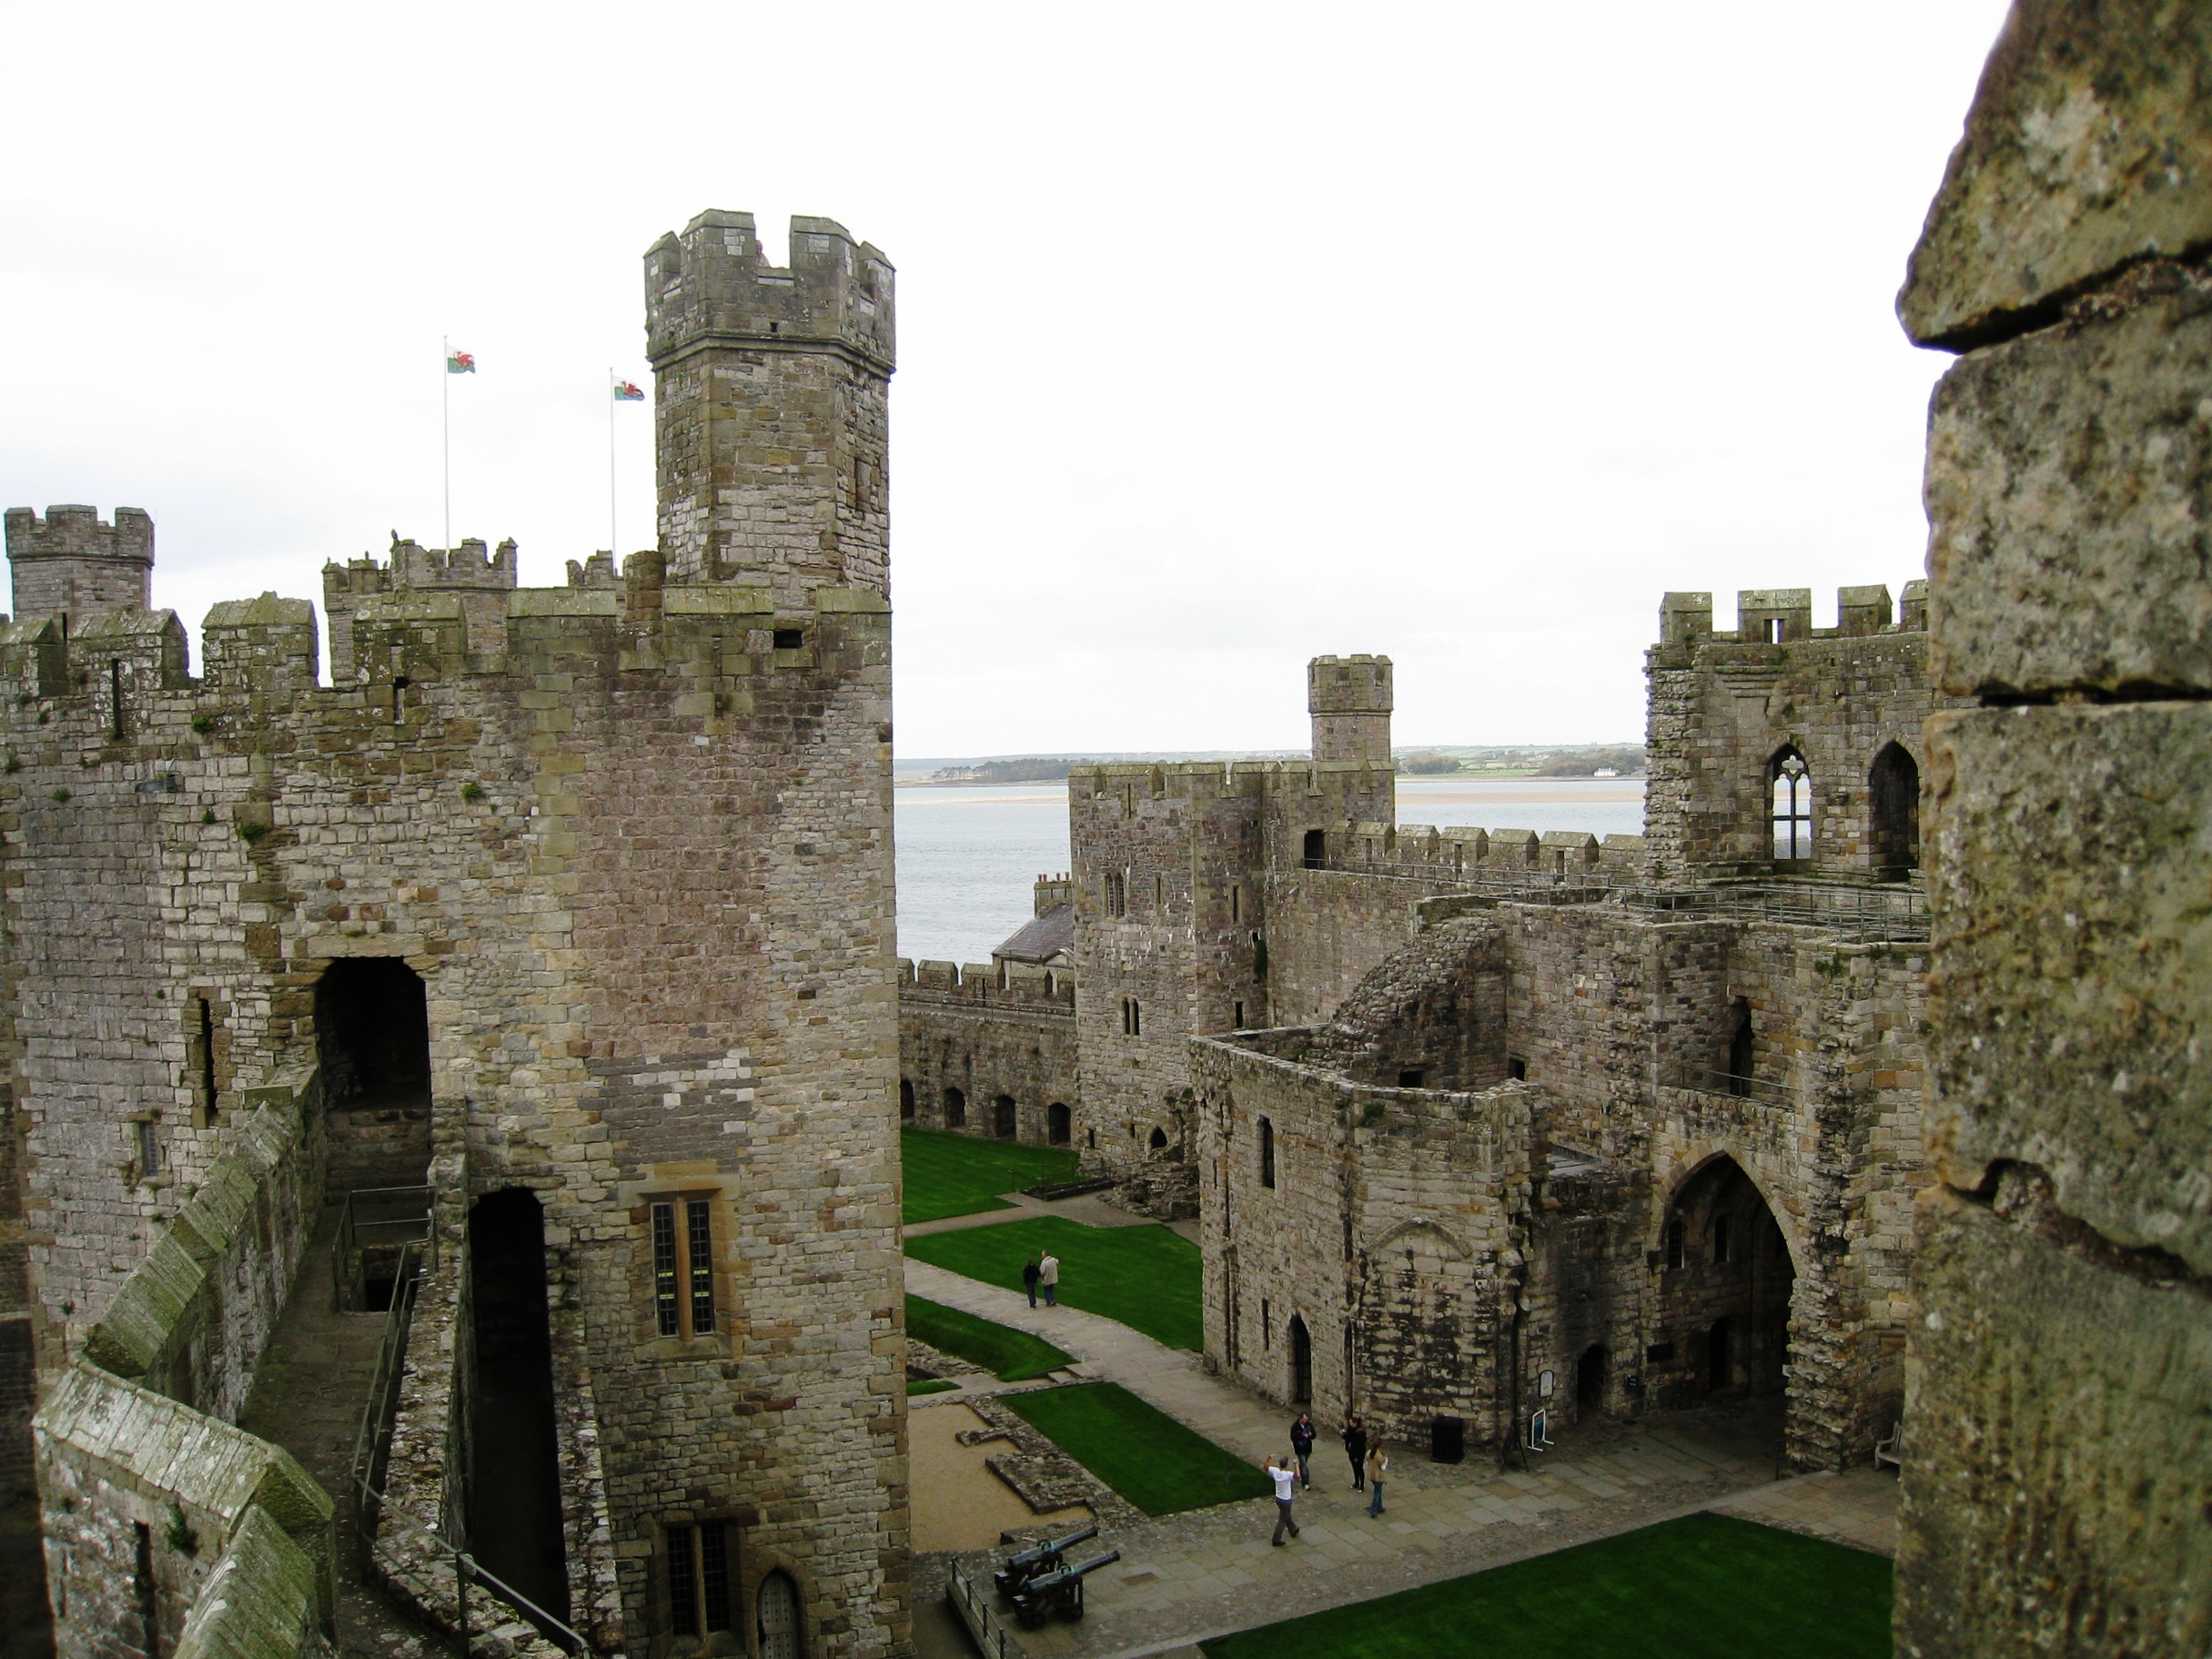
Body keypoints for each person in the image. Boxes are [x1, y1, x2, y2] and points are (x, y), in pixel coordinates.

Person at [1267, 1456, 1301, 1545]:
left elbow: (1265, 1467)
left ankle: (1293, 1529)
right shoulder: (1288, 1475)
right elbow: (1297, 1476)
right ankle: (1276, 1539)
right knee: (1282, 1519)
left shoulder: (1275, 1472)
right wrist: (1296, 1465)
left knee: (1285, 1514)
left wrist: (1268, 1458)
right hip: (1286, 1500)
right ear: (1286, 1464)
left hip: (1278, 1498)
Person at [1289, 1411, 1317, 1489]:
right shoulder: (1295, 1427)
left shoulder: (1309, 1425)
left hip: (1307, 1448)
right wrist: (1302, 1436)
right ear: (1300, 1418)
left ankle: (1300, 1473)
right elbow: (1293, 1438)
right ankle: (1305, 1483)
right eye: (1304, 1420)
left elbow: (1314, 1435)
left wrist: (1311, 1435)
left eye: (1306, 1420)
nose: (1305, 1421)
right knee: (1304, 1465)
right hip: (1300, 1449)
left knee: (1303, 1463)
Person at [1343, 1413, 1369, 1492]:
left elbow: (1361, 1445)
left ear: (1355, 1423)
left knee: (1359, 1469)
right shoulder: (1350, 1429)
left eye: (1351, 1423)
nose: (1349, 1424)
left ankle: (1362, 1486)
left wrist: (1357, 1456)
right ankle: (1356, 1482)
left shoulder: (1360, 1432)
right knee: (1354, 1468)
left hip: (1358, 1453)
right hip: (1352, 1451)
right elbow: (1348, 1438)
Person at [1366, 1442, 1389, 1518]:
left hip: (1371, 1475)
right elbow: (1383, 1468)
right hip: (1378, 1477)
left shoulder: (1369, 1453)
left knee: (1378, 1490)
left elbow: (1367, 1459)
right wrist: (1386, 1461)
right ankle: (1373, 1511)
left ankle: (1380, 1507)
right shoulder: (1379, 1456)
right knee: (1377, 1493)